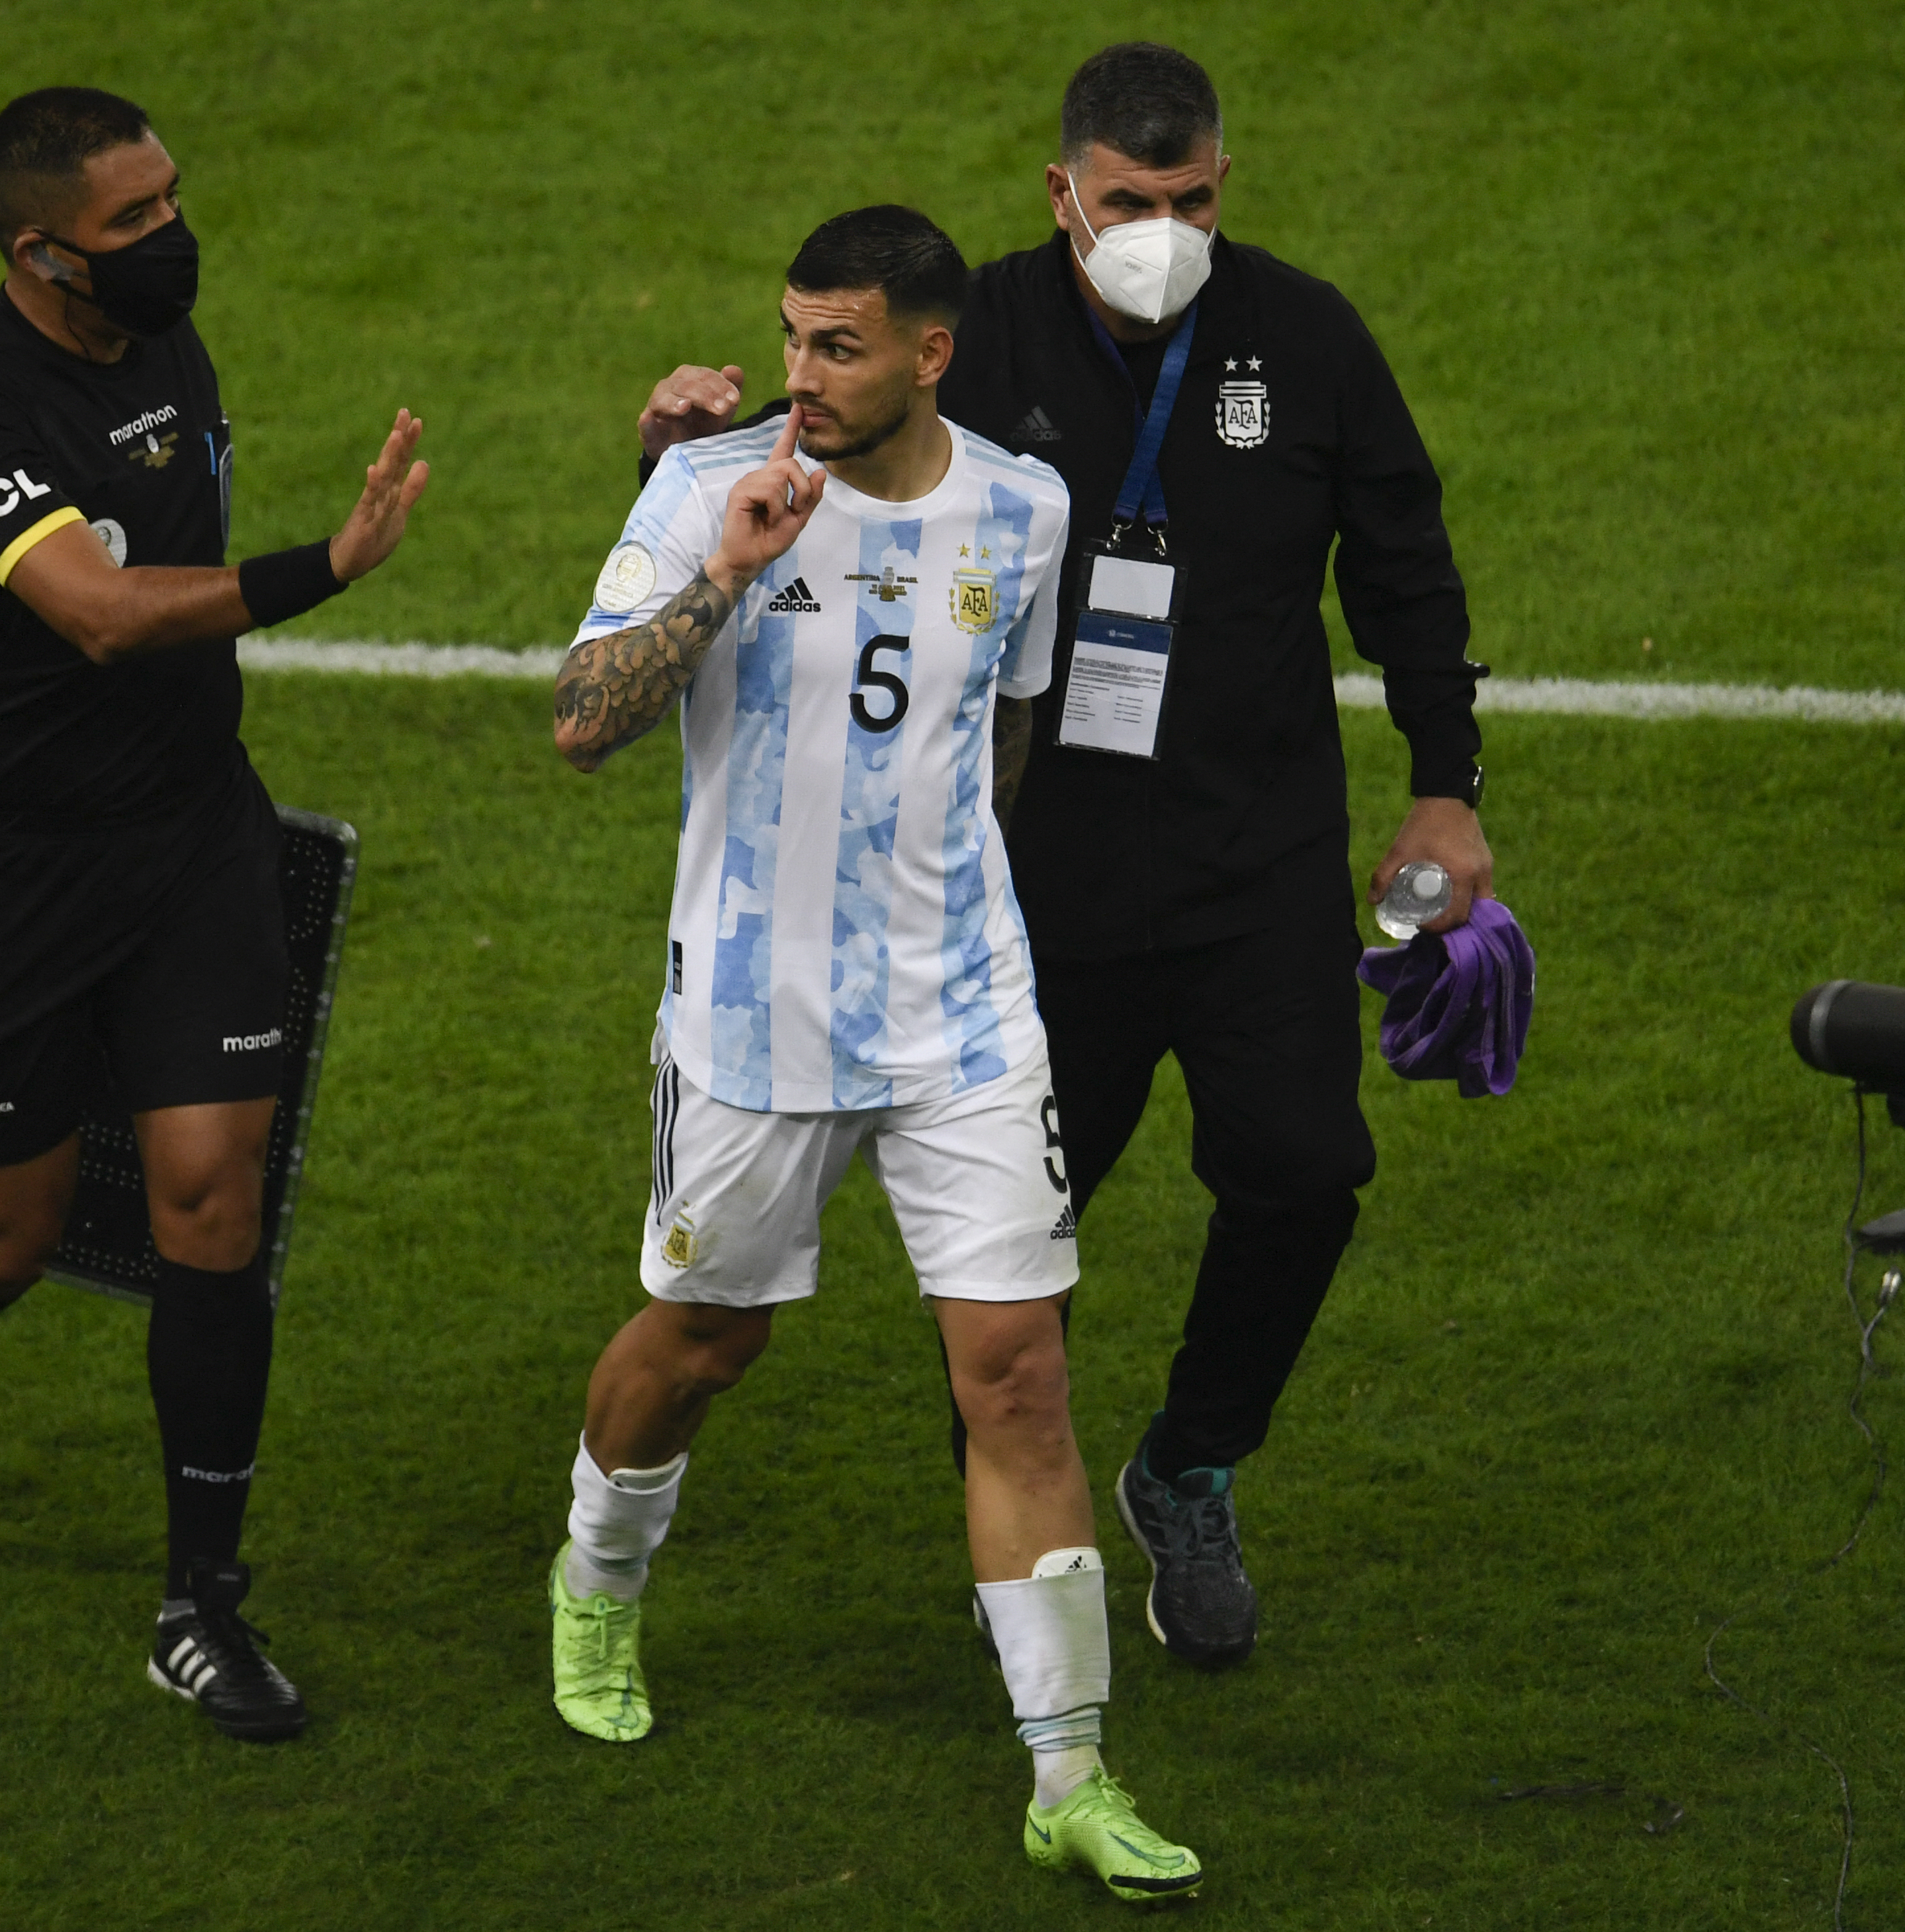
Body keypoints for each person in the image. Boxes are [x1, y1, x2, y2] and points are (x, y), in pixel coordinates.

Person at [635, 44, 1491, 1671]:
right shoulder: (980, 335)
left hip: (1258, 863)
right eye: (1127, 203)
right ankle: (1015, 1529)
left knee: (1307, 1173)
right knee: (1016, 1248)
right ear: (1063, 194)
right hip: (1035, 884)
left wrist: (1444, 783)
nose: (1159, 229)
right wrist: (670, 443)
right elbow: (803, 456)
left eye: (1188, 201)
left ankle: (1187, 1466)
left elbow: (1408, 569)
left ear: (1224, 185)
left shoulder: (1306, 340)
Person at [547, 205, 1201, 1904]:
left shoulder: (1025, 505)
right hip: (754, 1022)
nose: (803, 377)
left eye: (840, 346)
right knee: (706, 1341)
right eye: (792, 339)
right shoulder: (707, 490)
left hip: (965, 1016)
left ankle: (1069, 1767)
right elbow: (583, 721)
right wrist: (728, 574)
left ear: (933, 352)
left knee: (1020, 1370)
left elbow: (1006, 733)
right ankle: (596, 1586)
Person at [0, 87, 429, 1743]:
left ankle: (200, 1603)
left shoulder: (163, 352)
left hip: (191, 841)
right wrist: (329, 565)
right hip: (12, 875)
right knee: (1, 1237)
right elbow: (91, 610)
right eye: (133, 224)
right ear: (41, 254)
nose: (174, 239)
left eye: (172, 201)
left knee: (209, 1203)